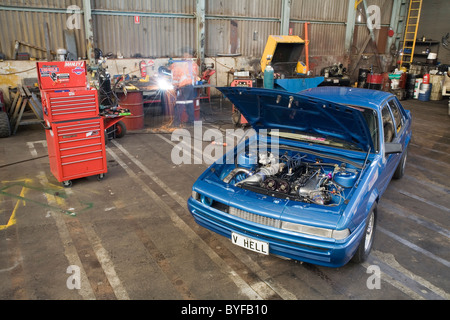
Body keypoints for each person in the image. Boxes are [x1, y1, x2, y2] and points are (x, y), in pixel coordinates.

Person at [170, 47, 199, 126]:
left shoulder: (178, 65)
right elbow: (195, 76)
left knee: (179, 104)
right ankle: (191, 121)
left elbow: (175, 78)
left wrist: (175, 86)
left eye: (186, 55)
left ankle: (176, 122)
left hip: (183, 87)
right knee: (189, 104)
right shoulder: (194, 64)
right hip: (190, 87)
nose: (185, 56)